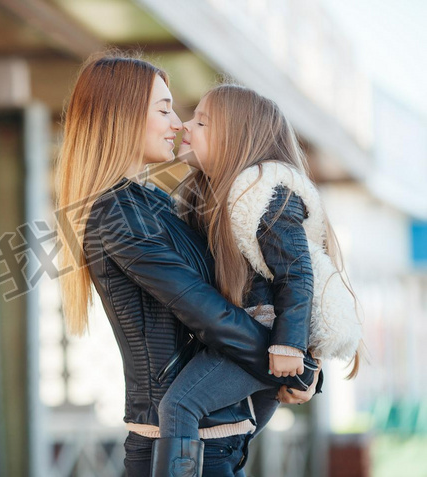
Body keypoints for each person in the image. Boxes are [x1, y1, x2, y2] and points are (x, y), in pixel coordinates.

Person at [55, 53, 321, 477]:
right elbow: (206, 313)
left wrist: (295, 354)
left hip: (214, 440)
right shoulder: (116, 214)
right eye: (164, 110)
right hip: (178, 446)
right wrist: (291, 368)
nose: (178, 124)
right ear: (122, 116)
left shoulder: (159, 203)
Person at [155, 84, 361, 468]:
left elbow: (296, 273)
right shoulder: (205, 196)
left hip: (265, 334)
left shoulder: (263, 195)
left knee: (181, 404)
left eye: (201, 121)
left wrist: (289, 348)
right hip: (256, 338)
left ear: (236, 139)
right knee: (233, 448)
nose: (185, 124)